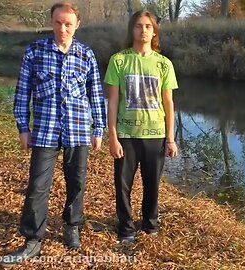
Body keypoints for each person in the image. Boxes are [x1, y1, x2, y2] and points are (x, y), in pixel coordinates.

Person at [0, 2, 106, 268]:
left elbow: (96, 95)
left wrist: (99, 128)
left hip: (78, 129)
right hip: (45, 130)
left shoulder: (86, 55)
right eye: (58, 22)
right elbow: (23, 92)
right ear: (51, 22)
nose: (62, 28)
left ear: (77, 25)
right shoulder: (35, 52)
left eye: (68, 23)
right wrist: (23, 127)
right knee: (37, 186)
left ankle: (72, 225)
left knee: (77, 182)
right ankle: (33, 238)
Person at [104, 11, 178, 243]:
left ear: (154, 31)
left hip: (154, 135)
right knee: (123, 185)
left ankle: (150, 225)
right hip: (126, 134)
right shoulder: (119, 60)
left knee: (152, 184)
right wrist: (113, 136)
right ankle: (126, 228)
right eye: (138, 26)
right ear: (132, 30)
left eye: (148, 26)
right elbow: (113, 101)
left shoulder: (164, 64)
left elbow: (168, 103)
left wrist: (170, 138)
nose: (143, 30)